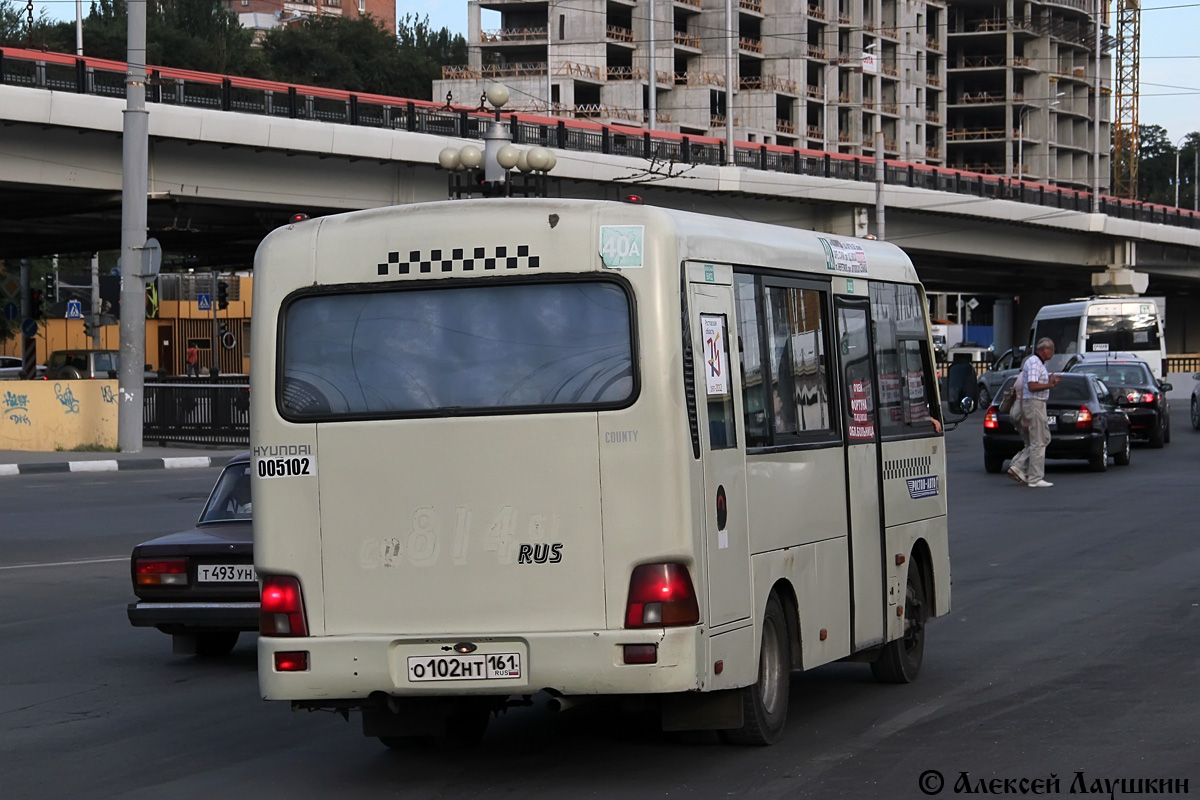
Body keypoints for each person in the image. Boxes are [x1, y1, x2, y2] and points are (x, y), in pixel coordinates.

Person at [1008, 337, 1061, 488]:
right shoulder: (1033, 363)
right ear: (1044, 349)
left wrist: (1049, 383)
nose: (1053, 352)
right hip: (1034, 404)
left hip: (1038, 404)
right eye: (1052, 349)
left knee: (1044, 438)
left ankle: (1020, 467)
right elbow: (1031, 386)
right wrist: (1049, 385)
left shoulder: (1038, 364)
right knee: (1038, 440)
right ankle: (1034, 477)